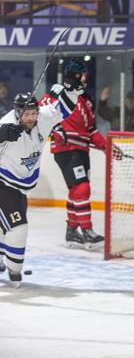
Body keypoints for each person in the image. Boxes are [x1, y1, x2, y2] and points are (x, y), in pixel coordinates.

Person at [0, 85, 79, 287]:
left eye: (33, 113)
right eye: (26, 114)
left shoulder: (42, 118)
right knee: (18, 228)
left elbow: (64, 107)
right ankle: (14, 270)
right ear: (17, 112)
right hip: (3, 183)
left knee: (4, 226)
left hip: (20, 187)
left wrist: (73, 89)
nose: (31, 117)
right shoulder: (6, 124)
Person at [42, 59, 107, 250]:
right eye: (82, 74)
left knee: (76, 191)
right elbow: (40, 113)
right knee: (82, 188)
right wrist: (56, 129)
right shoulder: (58, 93)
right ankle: (87, 231)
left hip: (82, 150)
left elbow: (91, 129)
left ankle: (71, 232)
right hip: (66, 149)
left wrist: (106, 146)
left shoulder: (86, 100)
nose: (85, 78)